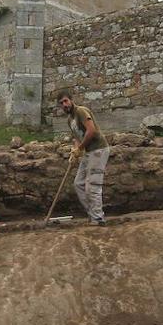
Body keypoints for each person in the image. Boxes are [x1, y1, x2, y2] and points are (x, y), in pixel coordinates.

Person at [57, 91, 110, 226]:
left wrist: (80, 148)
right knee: (78, 183)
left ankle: (98, 218)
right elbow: (76, 137)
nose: (64, 105)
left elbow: (91, 131)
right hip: (87, 152)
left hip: (98, 150)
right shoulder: (70, 120)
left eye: (65, 101)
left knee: (93, 185)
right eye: (61, 103)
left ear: (71, 100)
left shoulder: (81, 111)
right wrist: (75, 152)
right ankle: (92, 214)